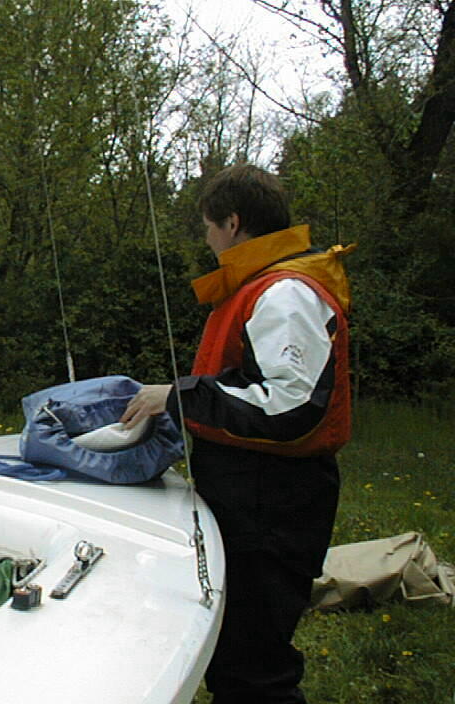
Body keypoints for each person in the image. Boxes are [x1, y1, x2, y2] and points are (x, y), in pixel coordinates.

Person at [121, 164, 353, 704]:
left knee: (254, 670)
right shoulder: (262, 286)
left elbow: (289, 406)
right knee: (234, 658)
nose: (207, 240)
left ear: (232, 222)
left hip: (274, 502)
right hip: (254, 495)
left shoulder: (286, 292)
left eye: (208, 227)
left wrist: (178, 397)